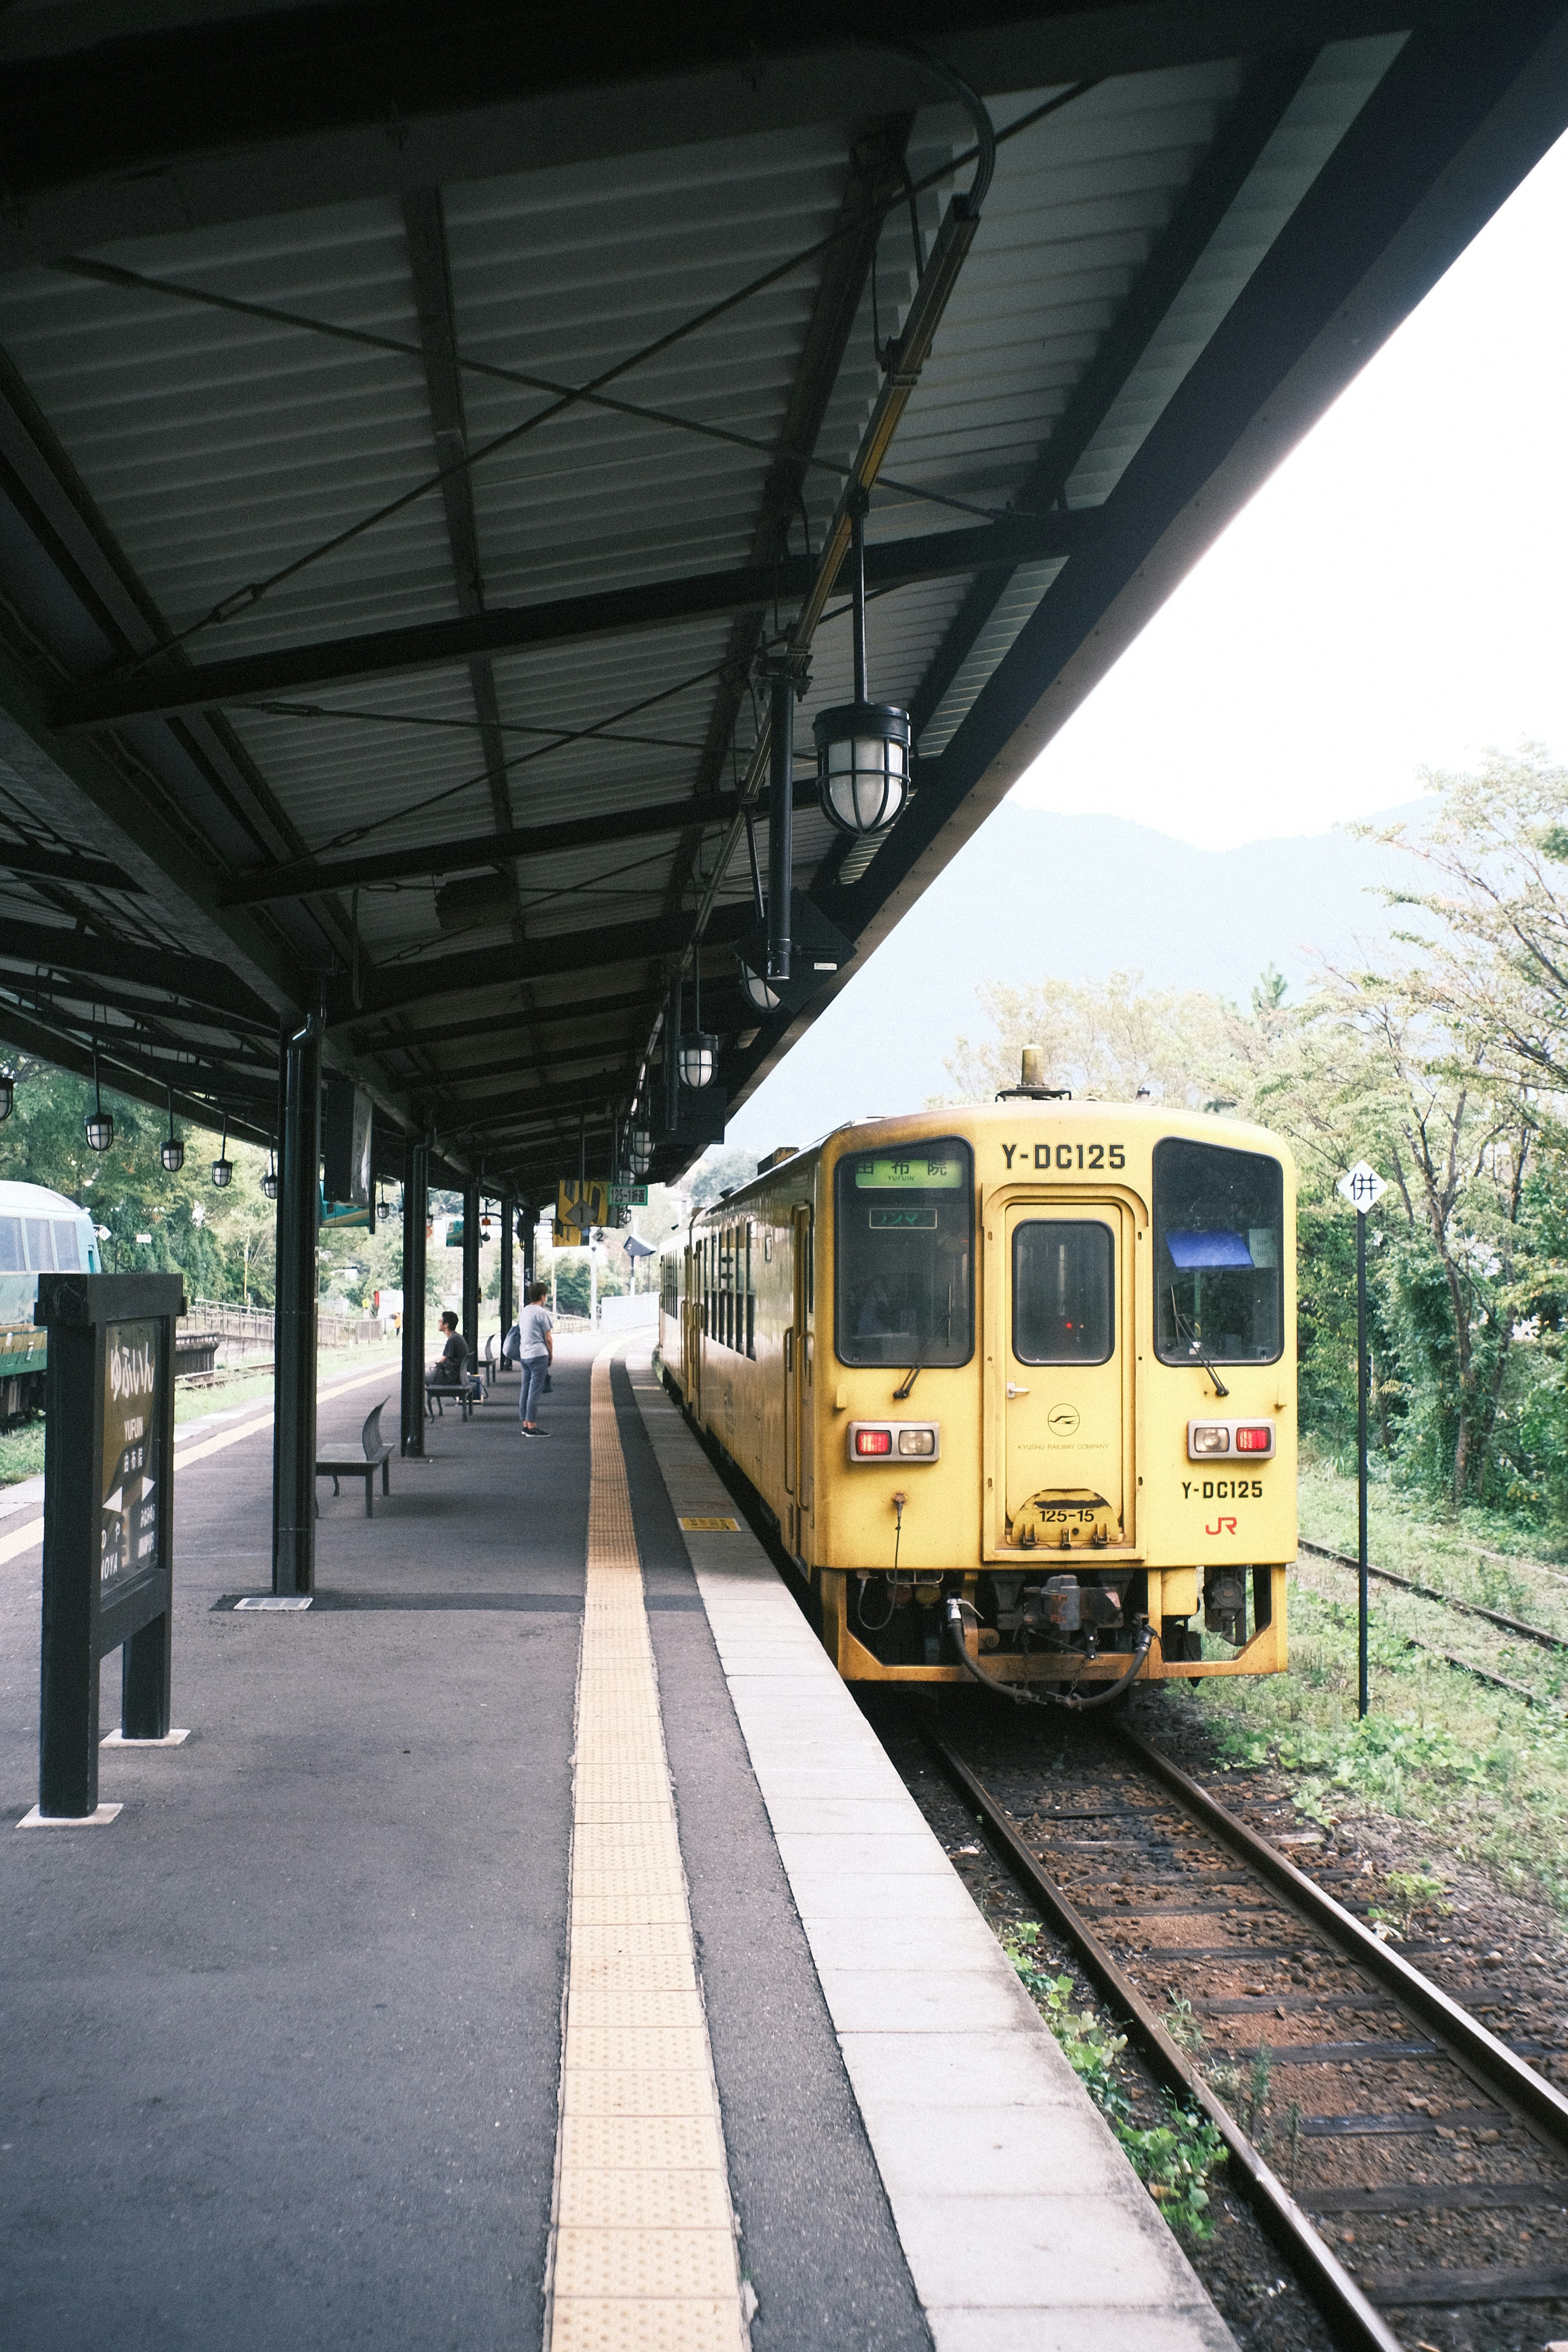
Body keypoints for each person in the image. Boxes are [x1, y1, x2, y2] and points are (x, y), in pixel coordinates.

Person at [516, 1281, 553, 1436]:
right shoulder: (542, 1313)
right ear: (543, 1296)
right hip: (539, 1355)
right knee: (535, 1392)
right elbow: (548, 1338)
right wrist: (551, 1356)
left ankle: (525, 1424)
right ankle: (532, 1426)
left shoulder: (525, 1311)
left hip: (524, 1355)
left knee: (526, 1389)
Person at [426, 1310, 471, 1399]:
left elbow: (443, 1359)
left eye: (440, 1321)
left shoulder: (452, 1340)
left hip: (452, 1377)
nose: (438, 1323)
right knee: (428, 1374)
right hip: (459, 1376)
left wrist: (434, 1367)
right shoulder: (458, 1337)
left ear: (446, 1325)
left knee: (419, 1378)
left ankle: (419, 1409)